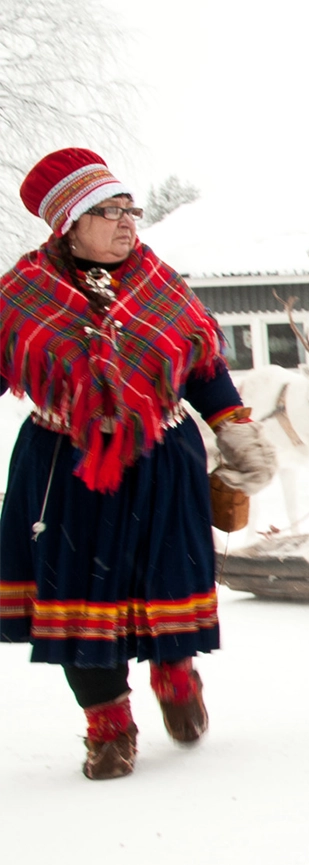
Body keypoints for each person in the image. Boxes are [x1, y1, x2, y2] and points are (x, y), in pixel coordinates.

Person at [0, 148, 276, 779]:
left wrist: (234, 429)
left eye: (131, 210)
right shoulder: (22, 295)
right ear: (68, 222)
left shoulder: (161, 285)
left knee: (164, 580)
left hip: (162, 462)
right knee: (78, 595)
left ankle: (175, 675)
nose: (127, 223)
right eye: (108, 211)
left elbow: (203, 366)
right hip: (64, 472)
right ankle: (109, 726)